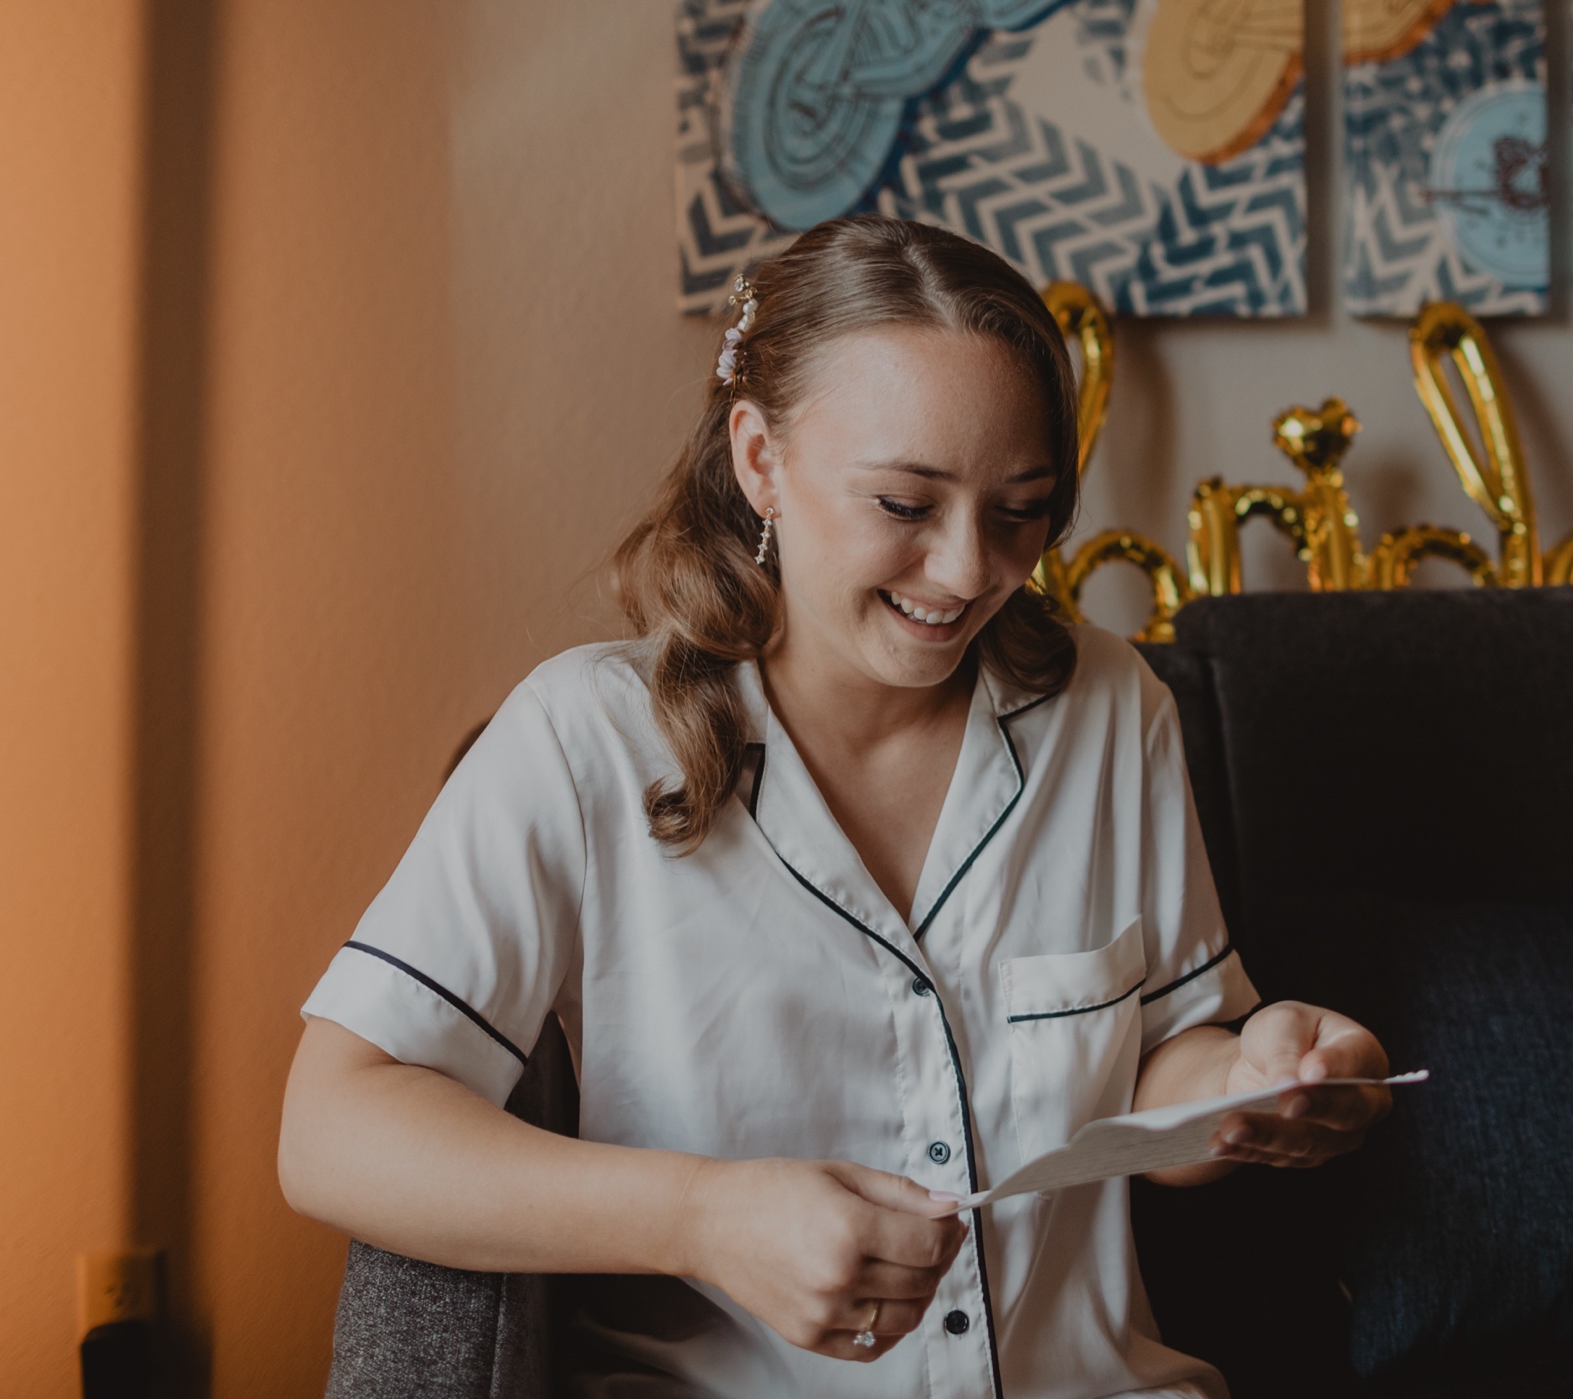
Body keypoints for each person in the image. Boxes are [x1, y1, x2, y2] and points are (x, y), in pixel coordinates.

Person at [279, 216, 1396, 1398]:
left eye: (1020, 509)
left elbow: (1163, 1064)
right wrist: (700, 1216)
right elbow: (332, 1128)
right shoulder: (582, 738)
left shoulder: (1112, 705)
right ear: (760, 458)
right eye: (906, 505)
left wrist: (1256, 1081)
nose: (968, 569)